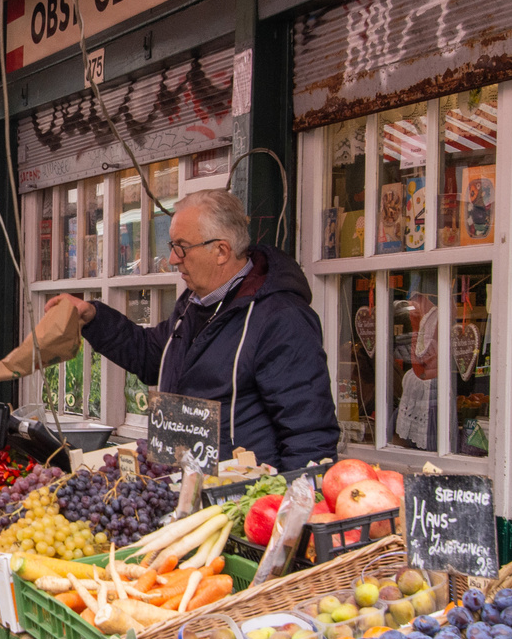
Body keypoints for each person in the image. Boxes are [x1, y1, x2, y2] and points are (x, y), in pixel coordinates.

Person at [46, 189, 339, 471]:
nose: (172, 259)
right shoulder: (193, 304)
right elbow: (152, 356)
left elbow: (309, 435)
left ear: (221, 251)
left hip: (237, 502)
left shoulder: (281, 319)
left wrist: (287, 509)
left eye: (181, 247)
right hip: (180, 486)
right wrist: (93, 317)